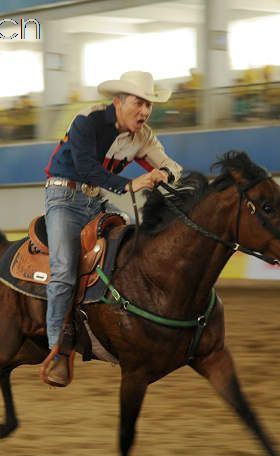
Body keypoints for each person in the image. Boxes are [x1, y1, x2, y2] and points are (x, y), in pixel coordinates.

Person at [40, 71, 183, 387]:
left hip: (95, 201)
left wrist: (165, 177)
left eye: (149, 105)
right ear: (118, 101)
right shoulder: (87, 121)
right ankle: (57, 348)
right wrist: (130, 184)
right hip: (63, 196)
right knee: (63, 268)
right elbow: (85, 167)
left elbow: (172, 166)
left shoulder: (144, 137)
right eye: (139, 103)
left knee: (135, 238)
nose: (144, 111)